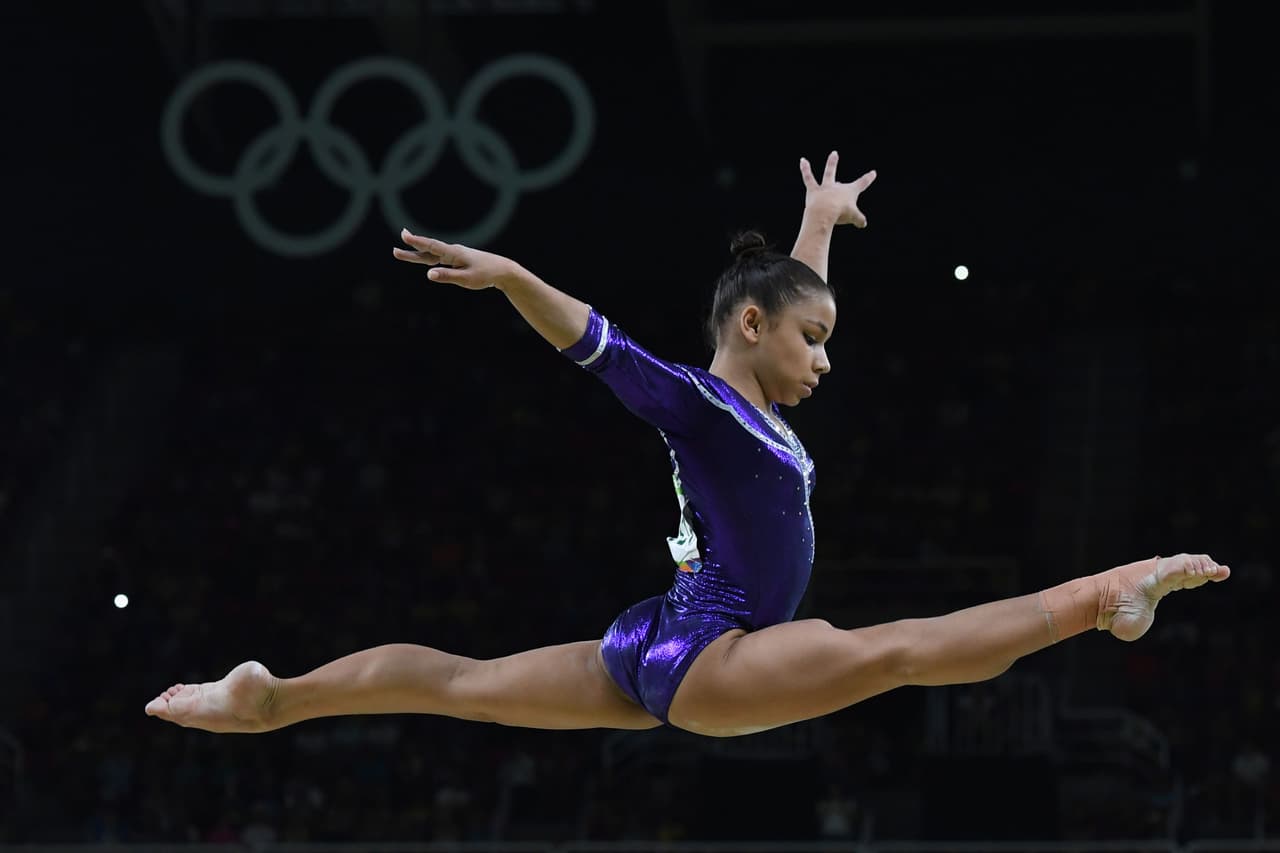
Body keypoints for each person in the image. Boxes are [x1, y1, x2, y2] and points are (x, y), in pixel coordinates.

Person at [145, 151, 1230, 739]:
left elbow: (783, 307)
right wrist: (517, 276)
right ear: (750, 331)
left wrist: (812, 224)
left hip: (661, 636)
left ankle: (272, 696)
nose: (826, 359)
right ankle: (1104, 594)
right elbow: (597, 344)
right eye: (815, 339)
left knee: (463, 684)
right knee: (896, 649)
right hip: (717, 651)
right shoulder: (700, 405)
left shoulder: (752, 400)